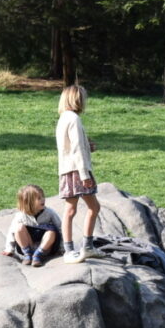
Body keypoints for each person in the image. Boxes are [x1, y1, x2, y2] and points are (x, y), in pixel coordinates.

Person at [56, 84, 103, 264]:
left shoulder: (64, 118)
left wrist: (87, 146)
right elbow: (75, 149)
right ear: (76, 99)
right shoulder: (74, 119)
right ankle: (72, 250)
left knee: (80, 208)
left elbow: (70, 146)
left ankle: (85, 248)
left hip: (69, 169)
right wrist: (85, 175)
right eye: (83, 97)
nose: (85, 101)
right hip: (77, 170)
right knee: (78, 209)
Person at [2, 184, 62, 267]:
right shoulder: (21, 215)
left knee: (52, 232)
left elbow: (60, 228)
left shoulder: (49, 213)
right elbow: (11, 232)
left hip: (45, 247)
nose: (43, 200)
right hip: (28, 245)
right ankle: (28, 255)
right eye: (39, 198)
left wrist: (62, 247)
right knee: (19, 228)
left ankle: (37, 255)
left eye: (43, 197)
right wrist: (9, 249)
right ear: (28, 202)